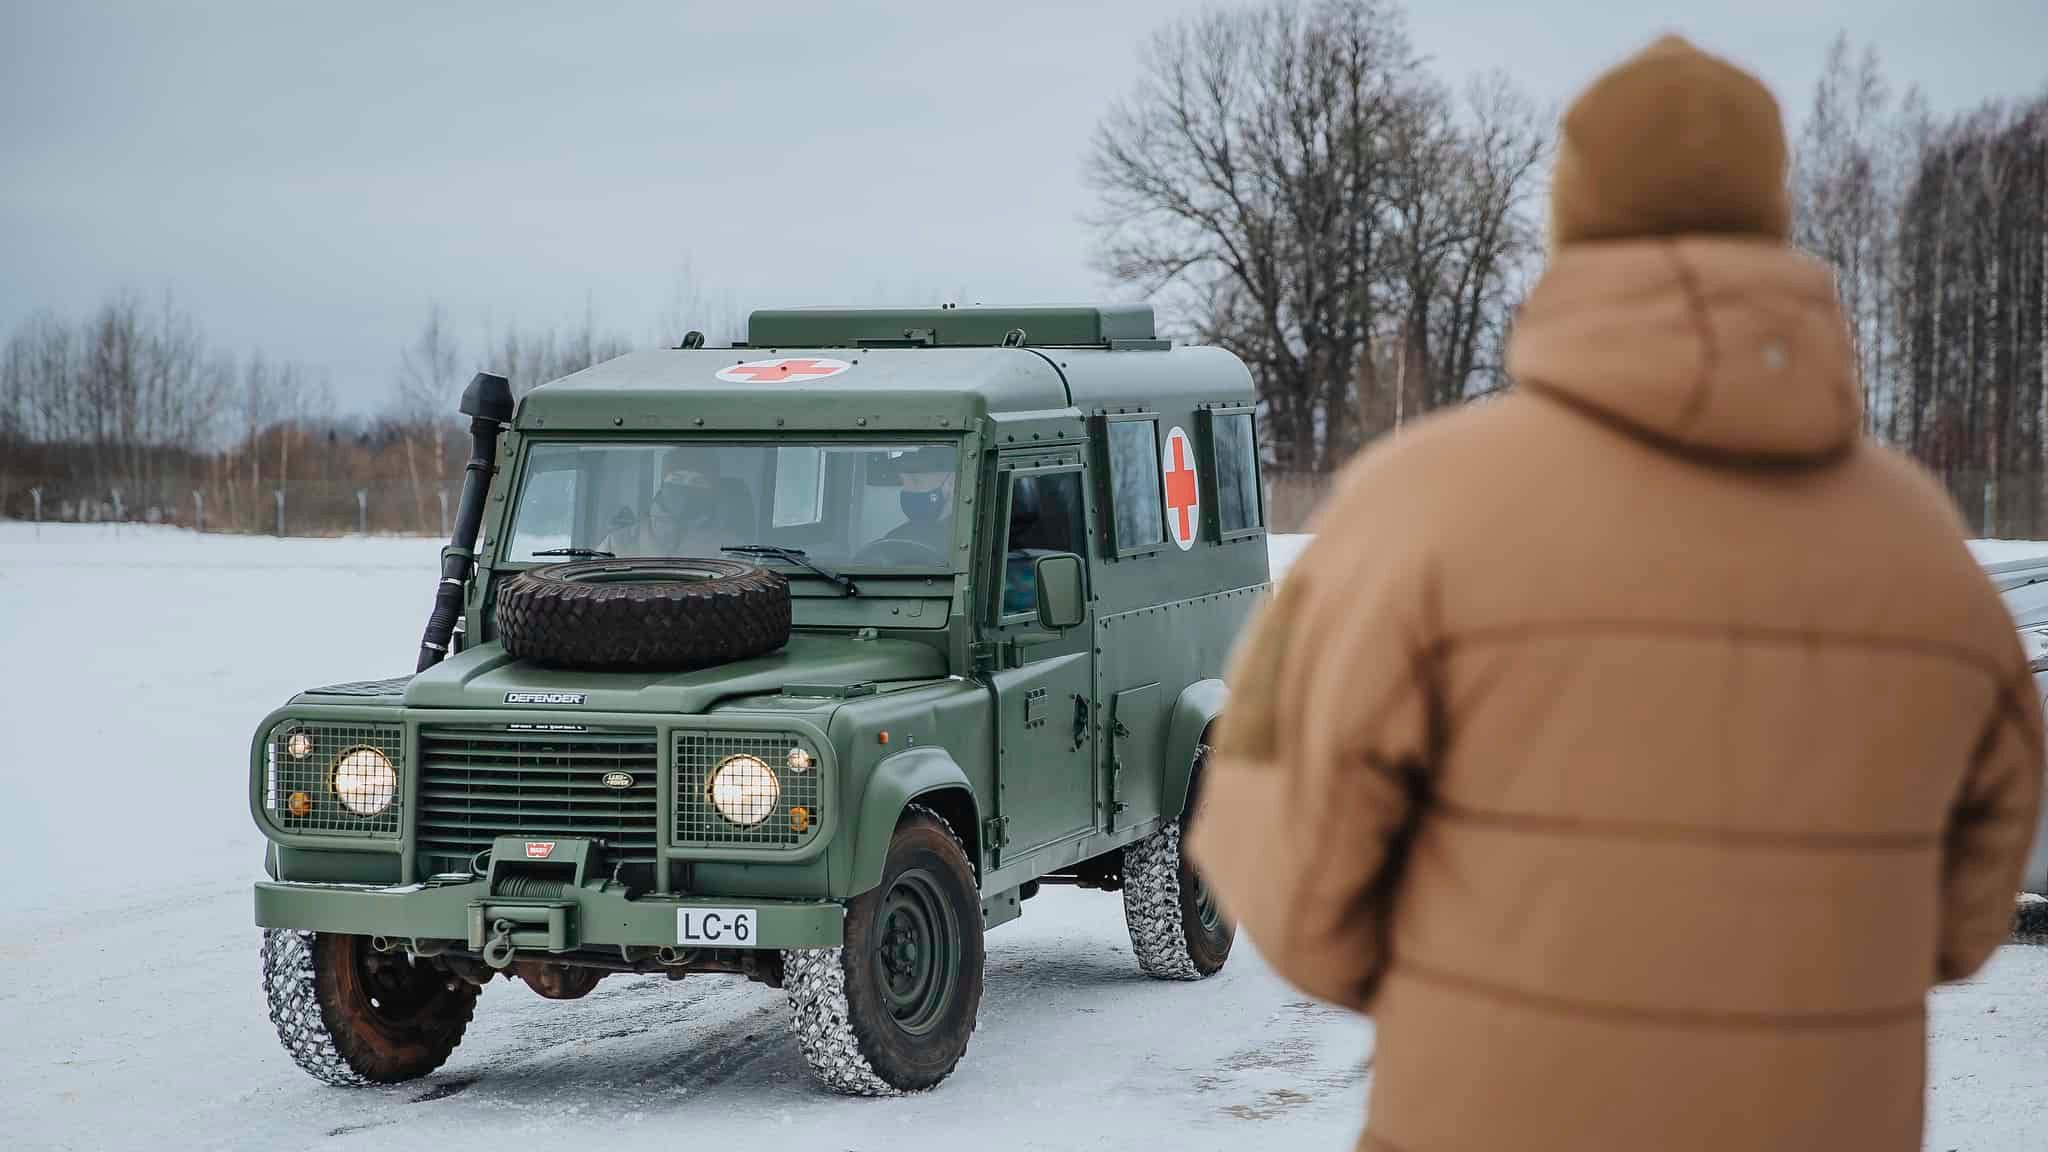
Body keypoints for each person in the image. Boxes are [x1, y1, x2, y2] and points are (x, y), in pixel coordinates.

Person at [1186, 35, 2042, 1152]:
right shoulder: (1921, 544)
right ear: (1770, 216)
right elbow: (1974, 906)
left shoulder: (1414, 508)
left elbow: (1294, 895)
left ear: (1571, 221)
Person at [600, 447, 727, 558]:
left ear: (711, 491)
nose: (685, 487)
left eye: (697, 481)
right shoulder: (619, 541)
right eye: (677, 478)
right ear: (663, 484)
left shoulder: (728, 546)